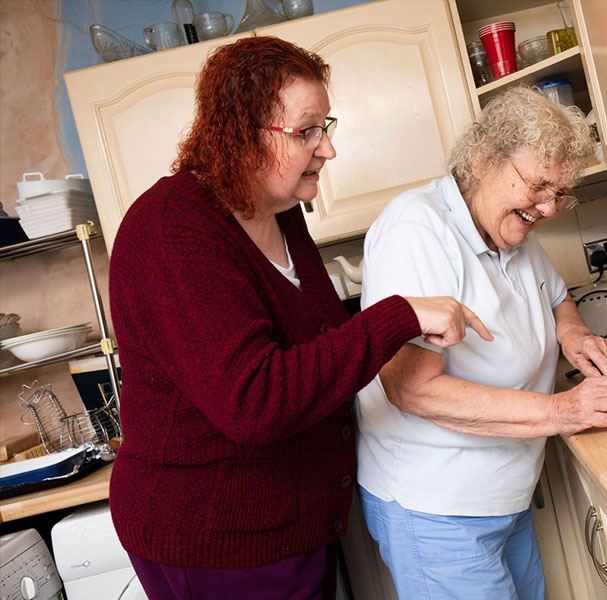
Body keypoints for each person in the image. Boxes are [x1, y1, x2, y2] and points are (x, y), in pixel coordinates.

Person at [107, 36, 491, 600]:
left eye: (325, 126)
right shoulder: (173, 229)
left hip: (288, 526)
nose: (328, 149)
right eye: (307, 130)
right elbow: (254, 400)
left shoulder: (281, 215)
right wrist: (395, 316)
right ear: (241, 134)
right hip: (218, 540)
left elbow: (315, 341)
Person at [356, 86, 607, 600]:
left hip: (503, 491)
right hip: (438, 505)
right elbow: (412, 389)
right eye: (539, 186)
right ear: (483, 158)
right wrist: (563, 411)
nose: (550, 207)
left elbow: (557, 298)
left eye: (561, 193)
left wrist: (572, 332)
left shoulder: (512, 234)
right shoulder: (416, 230)